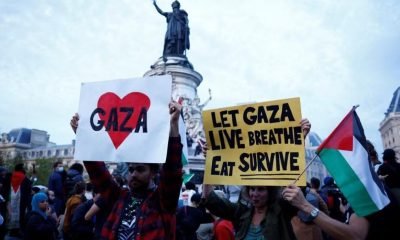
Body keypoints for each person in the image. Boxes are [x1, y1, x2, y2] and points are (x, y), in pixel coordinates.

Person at [70, 100, 183, 240]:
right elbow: (97, 172)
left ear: (154, 173)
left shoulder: (162, 202)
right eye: (131, 169)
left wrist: (173, 125)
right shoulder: (119, 197)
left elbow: (172, 172)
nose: (133, 174)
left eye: (140, 170)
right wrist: (83, 137)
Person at [201, 119, 311, 240]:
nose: (255, 194)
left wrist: (299, 141)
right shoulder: (242, 213)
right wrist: (209, 161)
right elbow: (210, 199)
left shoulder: (282, 210)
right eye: (252, 189)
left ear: (270, 192)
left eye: (260, 189)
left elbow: (296, 187)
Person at [8, 163, 32, 238]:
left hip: (10, 199)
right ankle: (19, 231)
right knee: (20, 215)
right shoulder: (24, 177)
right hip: (21, 200)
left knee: (12, 213)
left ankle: (12, 231)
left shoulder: (10, 176)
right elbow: (29, 189)